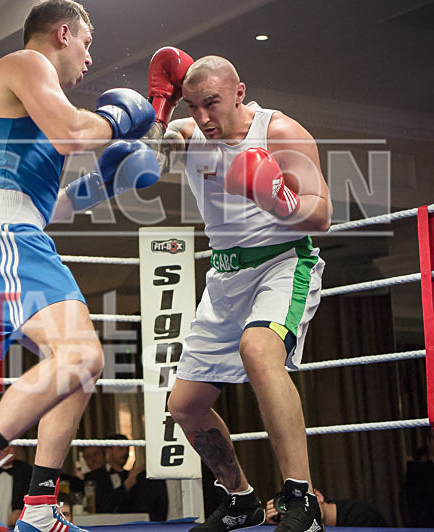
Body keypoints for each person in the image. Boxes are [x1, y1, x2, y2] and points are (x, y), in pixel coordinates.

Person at [0, 2, 158, 532]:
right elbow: (75, 134)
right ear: (63, 33)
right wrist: (117, 118)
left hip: (20, 232)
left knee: (80, 366)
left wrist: (105, 184)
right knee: (81, 354)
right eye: (87, 44)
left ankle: (39, 506)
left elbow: (47, 206)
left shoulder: (41, 103)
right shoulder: (26, 63)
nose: (89, 59)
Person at [148, 50, 331, 532]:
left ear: (239, 93)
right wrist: (161, 112)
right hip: (225, 276)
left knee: (258, 350)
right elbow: (151, 161)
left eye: (212, 103)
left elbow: (322, 215)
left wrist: (275, 197)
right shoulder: (188, 133)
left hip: (282, 264)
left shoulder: (279, 132)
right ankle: (241, 499)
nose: (203, 117)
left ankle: (301, 498)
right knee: (185, 406)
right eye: (192, 106)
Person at [266, 488, 386, 527]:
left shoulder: (362, 515)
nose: (303, 512)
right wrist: (276, 524)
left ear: (318, 496)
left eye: (304, 503)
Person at [0, 446, 33, 527]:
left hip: (14, 526)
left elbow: (30, 494)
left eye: (11, 446)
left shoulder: (27, 471)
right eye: (2, 446)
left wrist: (21, 510)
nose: (6, 450)